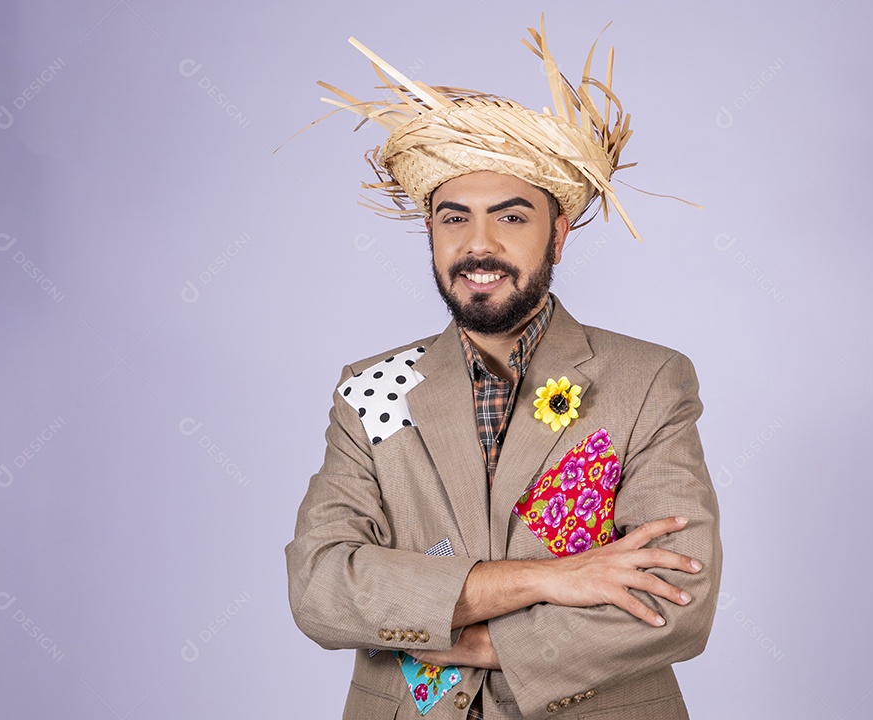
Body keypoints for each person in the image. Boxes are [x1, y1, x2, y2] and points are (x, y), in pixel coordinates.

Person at [285, 16, 722, 720]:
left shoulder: (649, 381)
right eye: (454, 218)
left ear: (559, 235)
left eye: (511, 218)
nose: (478, 245)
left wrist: (484, 643)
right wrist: (558, 579)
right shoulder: (369, 391)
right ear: (430, 233)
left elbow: (678, 602)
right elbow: (322, 588)